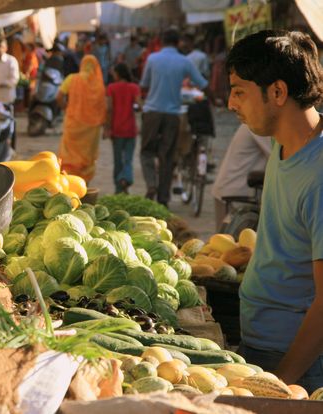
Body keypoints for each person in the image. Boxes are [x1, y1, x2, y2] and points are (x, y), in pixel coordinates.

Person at [227, 30, 323, 392]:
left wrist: (280, 383)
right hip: (261, 344)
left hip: (298, 365)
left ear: (278, 92)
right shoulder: (283, 146)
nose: (231, 104)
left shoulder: (320, 174)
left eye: (239, 91)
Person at [138, 28, 209, 207]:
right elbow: (203, 84)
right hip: (173, 114)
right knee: (167, 156)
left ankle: (151, 185)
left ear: (161, 42)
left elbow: (144, 84)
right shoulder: (184, 61)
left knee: (147, 151)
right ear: (178, 43)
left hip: (152, 112)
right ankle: (163, 198)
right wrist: (215, 99)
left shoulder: (153, 58)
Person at [211, 124, 271, 230]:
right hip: (234, 194)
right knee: (227, 243)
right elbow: (281, 158)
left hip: (233, 191)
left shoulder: (253, 122)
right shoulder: (257, 125)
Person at [56, 55, 106, 183]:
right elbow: (103, 106)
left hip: (73, 123)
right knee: (87, 157)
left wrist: (67, 109)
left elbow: (59, 96)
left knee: (69, 154)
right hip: (92, 128)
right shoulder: (99, 85)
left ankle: (69, 183)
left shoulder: (72, 78)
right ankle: (83, 185)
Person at [105, 63, 143, 194]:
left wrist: (107, 128)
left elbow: (109, 109)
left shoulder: (111, 88)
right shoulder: (134, 88)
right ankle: (125, 179)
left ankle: (119, 187)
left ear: (118, 73)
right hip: (130, 128)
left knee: (117, 160)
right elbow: (140, 105)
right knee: (128, 158)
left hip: (117, 129)